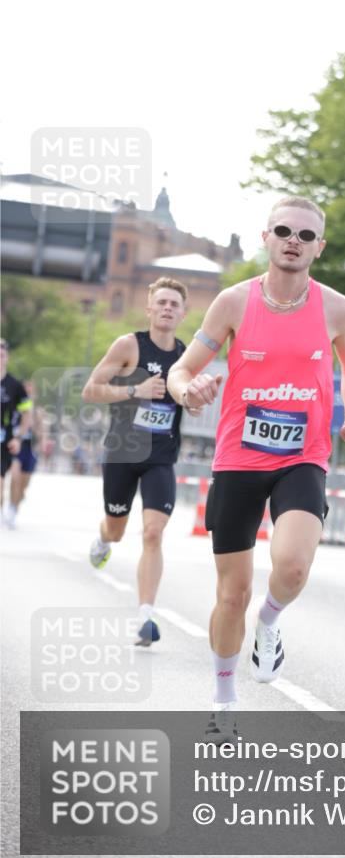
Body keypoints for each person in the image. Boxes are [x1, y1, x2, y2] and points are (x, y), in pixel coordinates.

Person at [167, 196, 345, 742]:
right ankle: (223, 696)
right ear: (266, 237)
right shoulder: (233, 303)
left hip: (303, 456)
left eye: (306, 236)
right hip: (238, 458)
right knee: (230, 593)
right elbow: (183, 368)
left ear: (319, 248)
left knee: (293, 567)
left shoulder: (338, 309)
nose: (293, 241)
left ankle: (271, 623)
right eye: (284, 231)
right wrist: (189, 391)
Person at [81, 277, 191, 646]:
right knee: (117, 529)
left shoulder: (186, 356)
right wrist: (134, 390)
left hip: (161, 457)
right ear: (149, 309)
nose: (167, 308)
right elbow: (91, 390)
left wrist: (198, 396)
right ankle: (102, 538)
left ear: (183, 313)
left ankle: (146, 614)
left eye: (174, 304)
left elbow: (192, 399)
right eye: (161, 302)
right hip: (122, 454)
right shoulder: (129, 345)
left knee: (154, 533)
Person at [1, 339, 33, 529]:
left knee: (11, 478)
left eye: (2, 355)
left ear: (7, 358)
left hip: (5, 439)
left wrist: (19, 437)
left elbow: (27, 413)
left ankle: (11, 509)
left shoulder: (15, 385)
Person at [9, 379, 43, 521]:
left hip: (30, 449)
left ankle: (16, 505)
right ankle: (11, 507)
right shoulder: (15, 407)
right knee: (15, 478)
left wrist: (33, 421)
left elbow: (41, 435)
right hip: (17, 447)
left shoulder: (38, 411)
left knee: (23, 486)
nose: (28, 390)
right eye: (25, 387)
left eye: (30, 387)